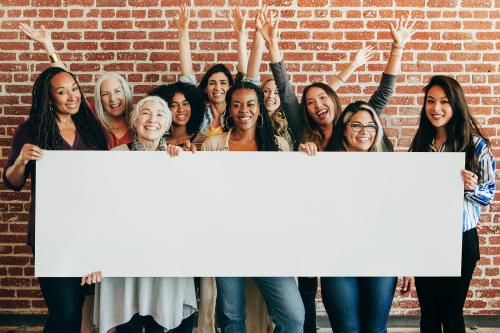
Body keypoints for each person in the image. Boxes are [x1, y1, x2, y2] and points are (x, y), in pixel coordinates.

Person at [2, 66, 108, 333]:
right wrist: (22, 159)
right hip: (51, 235)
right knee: (65, 310)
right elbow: (12, 182)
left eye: (74, 89)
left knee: (78, 306)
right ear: (49, 98)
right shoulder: (31, 129)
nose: (72, 96)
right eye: (62, 92)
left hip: (88, 232)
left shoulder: (90, 126)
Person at [86, 96, 197, 333]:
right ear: (135, 120)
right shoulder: (115, 156)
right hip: (124, 259)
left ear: (167, 124)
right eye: (146, 113)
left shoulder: (178, 160)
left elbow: (190, 210)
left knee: (161, 322)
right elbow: (99, 210)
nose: (152, 119)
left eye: (159, 114)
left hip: (163, 260)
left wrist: (185, 166)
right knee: (127, 324)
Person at [300, 101, 413, 332]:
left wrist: (407, 262)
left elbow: (399, 219)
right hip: (338, 261)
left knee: (375, 329)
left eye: (371, 126)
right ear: (344, 128)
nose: (365, 132)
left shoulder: (390, 169)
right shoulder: (322, 164)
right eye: (357, 125)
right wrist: (303, 160)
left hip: (380, 260)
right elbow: (308, 210)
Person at [201, 81, 304, 333]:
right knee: (231, 316)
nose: (243, 110)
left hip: (267, 243)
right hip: (226, 242)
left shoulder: (278, 145)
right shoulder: (213, 145)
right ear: (229, 109)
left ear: (259, 109)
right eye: (236, 104)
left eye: (250, 104)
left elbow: (288, 195)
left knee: (293, 317)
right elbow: (203, 194)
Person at [410, 76, 496, 333]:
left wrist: (470, 188)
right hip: (426, 237)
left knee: (450, 313)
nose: (436, 108)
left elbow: (489, 194)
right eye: (430, 101)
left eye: (444, 102)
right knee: (428, 312)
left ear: (456, 105)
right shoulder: (421, 144)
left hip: (460, 239)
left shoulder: (476, 145)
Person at [20, 23, 134, 148]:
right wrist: (48, 45)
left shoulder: (139, 120)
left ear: (126, 92)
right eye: (105, 94)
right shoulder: (92, 118)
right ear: (99, 99)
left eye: (117, 91)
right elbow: (65, 80)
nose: (113, 98)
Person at [174, 5, 260, 137]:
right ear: (205, 89)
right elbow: (187, 78)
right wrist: (183, 31)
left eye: (223, 83)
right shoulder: (199, 112)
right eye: (212, 83)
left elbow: (247, 78)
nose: (217, 87)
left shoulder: (238, 112)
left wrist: (241, 34)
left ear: (230, 88)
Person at [148, 81, 206, 150]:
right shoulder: (155, 140)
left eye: (185, 104)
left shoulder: (202, 140)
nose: (181, 109)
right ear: (164, 109)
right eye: (173, 105)